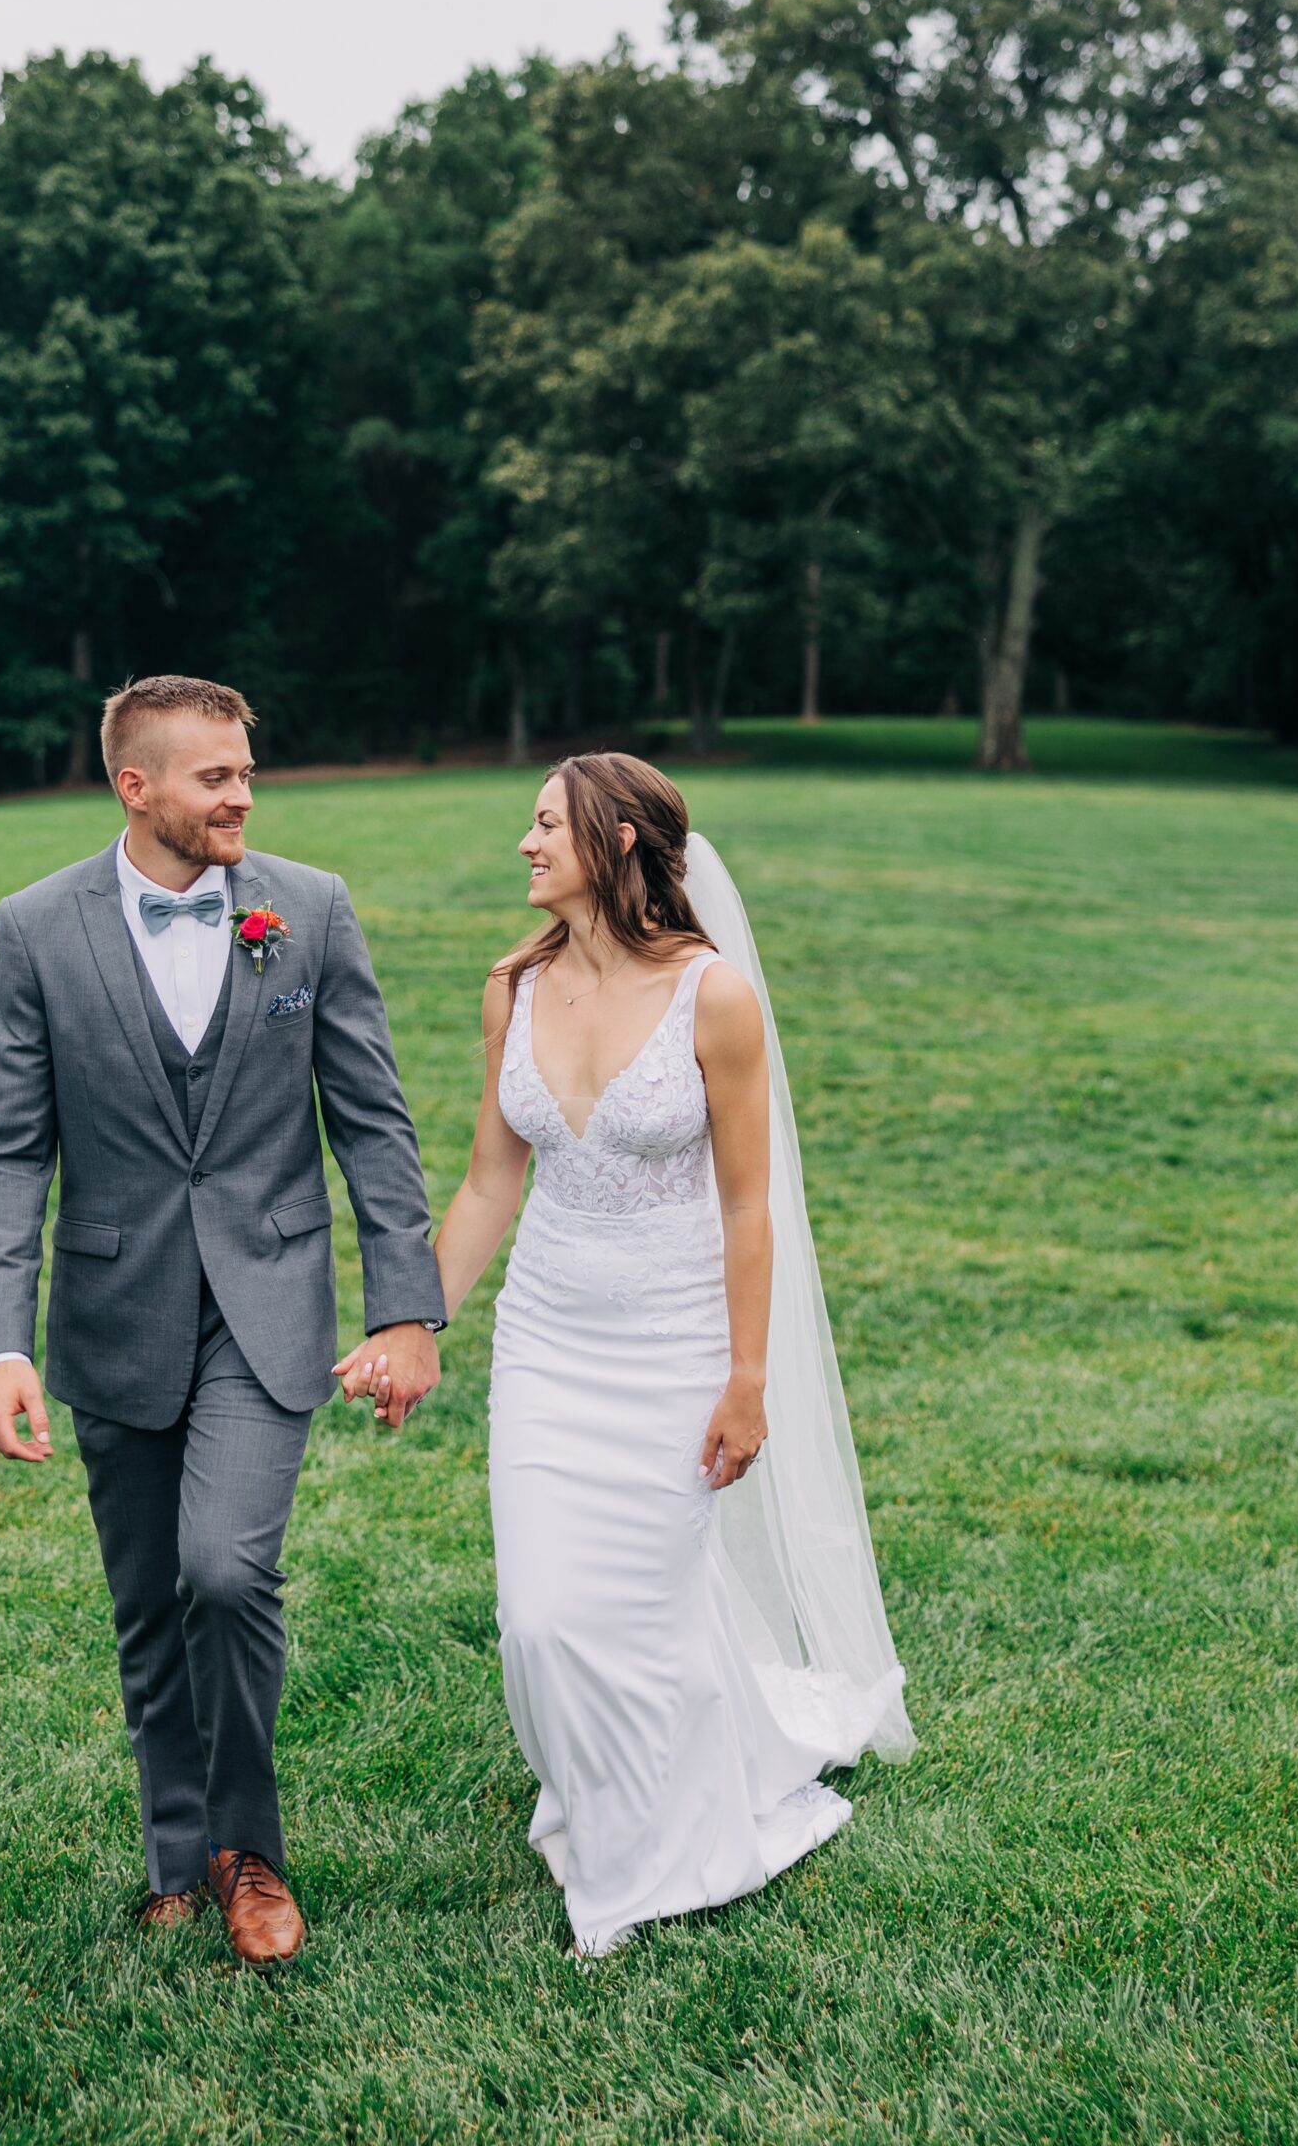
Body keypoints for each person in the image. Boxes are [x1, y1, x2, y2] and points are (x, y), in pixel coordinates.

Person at [354, 753, 912, 1957]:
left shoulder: (715, 998)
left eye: (545, 823)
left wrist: (747, 1379)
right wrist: (414, 1323)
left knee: (648, 1614)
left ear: (613, 843)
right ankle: (613, 1810)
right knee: (543, 1622)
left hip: (674, 1346)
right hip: (550, 1346)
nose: (524, 843)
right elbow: (490, 1180)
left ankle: (643, 1862)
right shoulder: (515, 987)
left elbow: (752, 1208)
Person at [0, 674, 443, 1964]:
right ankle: (173, 1852)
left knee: (223, 1573)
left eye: (246, 770)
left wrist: (408, 1307)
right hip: (112, 1307)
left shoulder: (311, 911)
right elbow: (6, 1149)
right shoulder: (35, 929)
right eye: (214, 776)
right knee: (146, 1603)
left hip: (268, 1302)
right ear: (137, 788)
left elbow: (373, 1122)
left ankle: (251, 1852)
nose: (243, 793)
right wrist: (3, 1341)